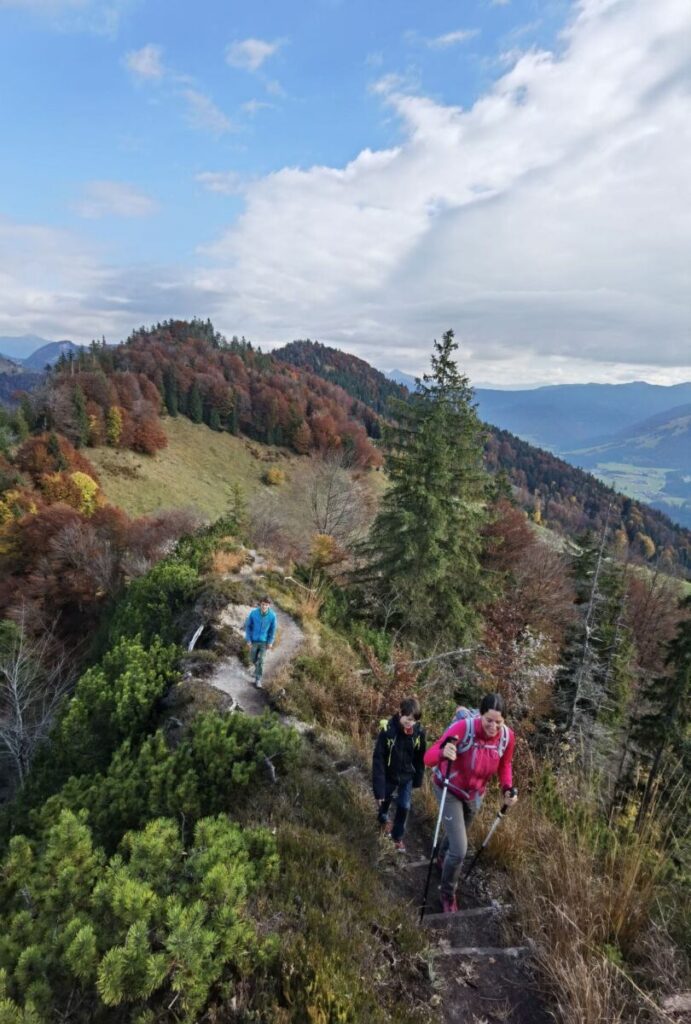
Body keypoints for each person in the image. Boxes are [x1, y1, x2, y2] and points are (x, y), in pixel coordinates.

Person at [423, 692, 518, 913]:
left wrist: (507, 788)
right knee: (460, 849)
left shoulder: (507, 737)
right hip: (449, 788)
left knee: (457, 836)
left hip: (475, 794)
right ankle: (447, 893)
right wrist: (443, 752)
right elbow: (428, 758)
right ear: (480, 715)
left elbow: (505, 765)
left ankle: (441, 859)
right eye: (488, 720)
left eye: (499, 721)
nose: (493, 726)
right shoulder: (463, 729)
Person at [372, 697, 426, 853]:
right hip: (388, 775)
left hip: (407, 777)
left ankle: (397, 837)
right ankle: (383, 819)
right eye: (408, 719)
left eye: (414, 720)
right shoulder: (388, 731)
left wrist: (418, 779)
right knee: (384, 800)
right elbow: (378, 760)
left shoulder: (418, 733)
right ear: (399, 713)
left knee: (404, 806)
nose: (410, 723)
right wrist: (378, 789)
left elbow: (419, 757)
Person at [244, 596, 277, 688]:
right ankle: (256, 670)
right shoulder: (253, 613)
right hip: (254, 640)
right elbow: (248, 627)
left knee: (261, 660)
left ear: (269, 606)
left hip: (264, 641)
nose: (264, 606)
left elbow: (272, 630)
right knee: (253, 659)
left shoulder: (272, 616)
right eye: (263, 604)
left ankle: (258, 679)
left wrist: (270, 642)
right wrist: (248, 640)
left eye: (266, 605)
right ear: (260, 604)